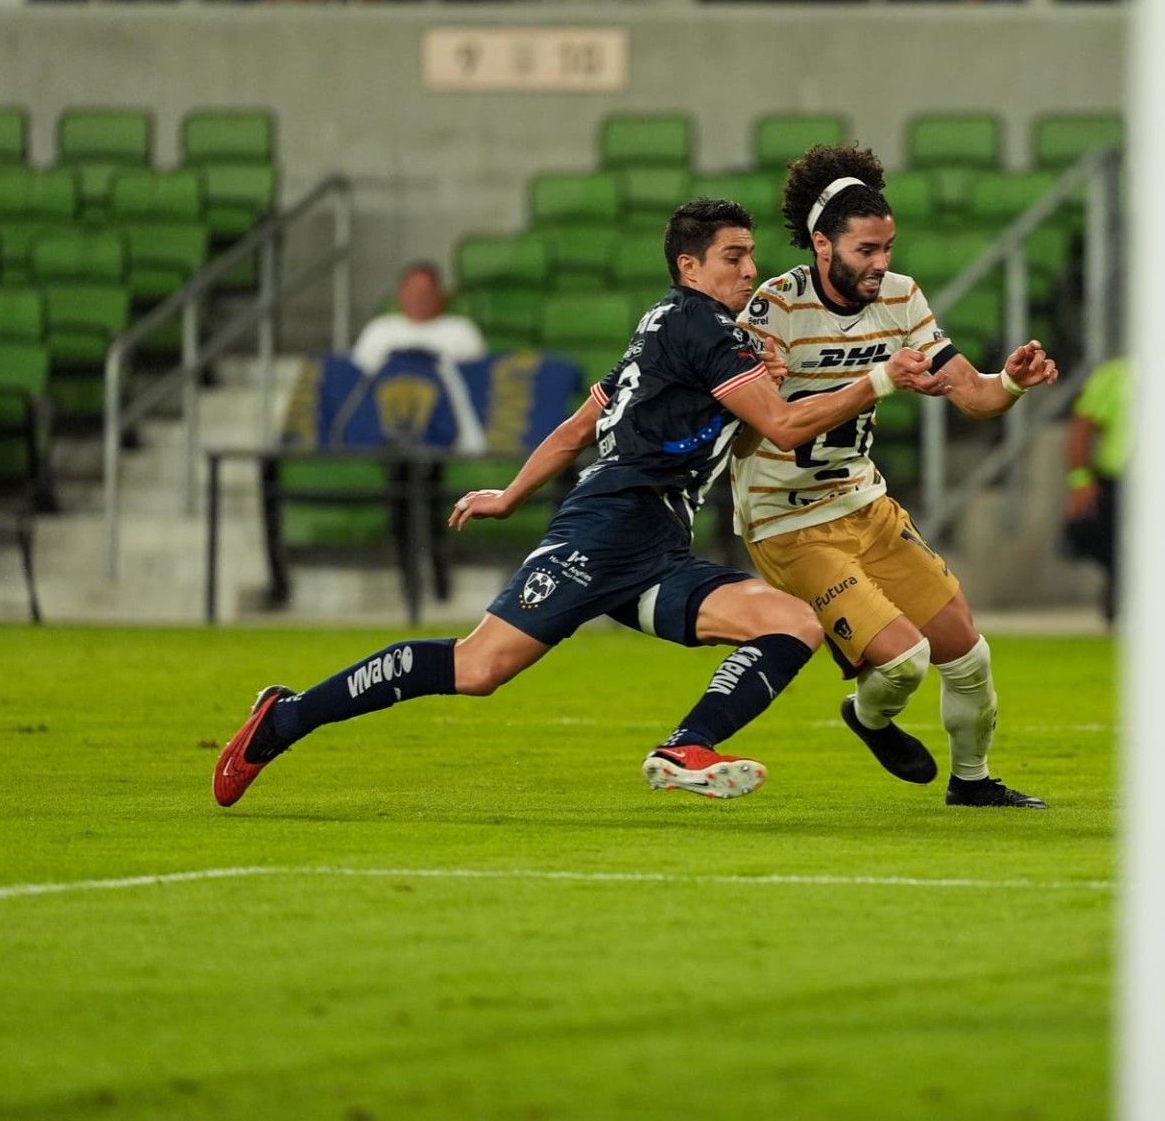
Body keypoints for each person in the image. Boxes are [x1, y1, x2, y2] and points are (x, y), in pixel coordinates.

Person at [212, 198, 951, 808]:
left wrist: (510, 495)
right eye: (733, 257)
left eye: (751, 255)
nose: (750, 269)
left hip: (656, 544)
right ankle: (285, 717)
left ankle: (685, 747)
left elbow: (578, 425)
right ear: (690, 266)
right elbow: (784, 427)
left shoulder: (667, 325)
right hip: (606, 530)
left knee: (791, 622)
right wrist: (880, 380)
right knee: (478, 669)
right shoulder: (701, 328)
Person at [732, 145, 1060, 809]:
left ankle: (972, 784)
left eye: (887, 248)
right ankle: (869, 715)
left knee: (968, 655)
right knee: (905, 661)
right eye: (866, 250)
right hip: (787, 520)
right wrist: (877, 380)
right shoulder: (773, 309)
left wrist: (1010, 383)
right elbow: (765, 426)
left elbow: (973, 395)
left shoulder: (902, 297)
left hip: (865, 505)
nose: (880, 263)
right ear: (823, 245)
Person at [1062, 355, 1131, 619]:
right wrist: (1080, 479)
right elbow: (1083, 426)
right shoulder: (1116, 375)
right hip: (1121, 481)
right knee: (1119, 553)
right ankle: (1119, 610)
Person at [350, 261, 488, 373]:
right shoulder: (379, 329)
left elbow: (476, 377)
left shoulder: (462, 331)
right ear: (400, 295)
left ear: (441, 295)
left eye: (425, 292)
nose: (418, 298)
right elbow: (359, 373)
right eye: (412, 291)